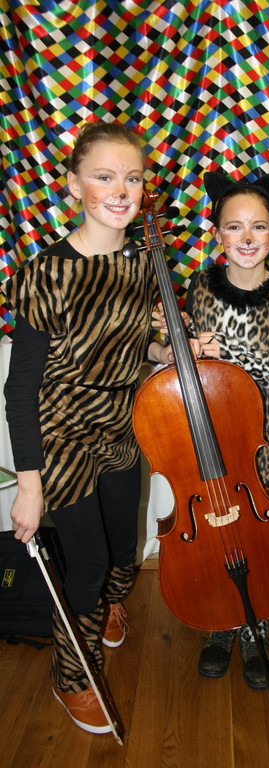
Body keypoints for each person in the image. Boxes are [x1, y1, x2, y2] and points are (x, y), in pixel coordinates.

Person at [1, 121, 174, 735]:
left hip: (123, 425)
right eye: (104, 176)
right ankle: (70, 675)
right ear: (74, 184)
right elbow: (20, 386)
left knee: (125, 546)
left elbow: (131, 345)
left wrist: (168, 351)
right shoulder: (46, 273)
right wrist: (29, 485)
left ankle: (105, 605)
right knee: (90, 559)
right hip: (63, 433)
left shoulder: (143, 261)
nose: (121, 190)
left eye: (133, 178)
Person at [154, 170, 269, 689]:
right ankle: (223, 621)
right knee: (215, 536)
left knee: (258, 540)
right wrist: (176, 344)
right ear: (217, 233)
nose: (246, 237)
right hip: (205, 438)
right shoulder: (200, 287)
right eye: (234, 226)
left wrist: (233, 352)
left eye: (258, 226)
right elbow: (187, 367)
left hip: (262, 440)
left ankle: (254, 624)